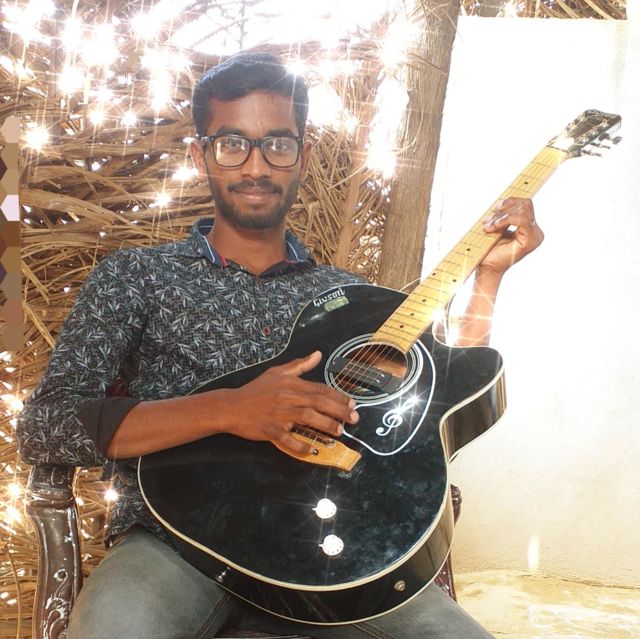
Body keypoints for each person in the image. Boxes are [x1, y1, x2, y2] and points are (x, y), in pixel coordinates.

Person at [17, 51, 543, 639]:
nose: (255, 165)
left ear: (303, 155)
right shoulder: (136, 278)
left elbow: (442, 397)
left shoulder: (351, 298)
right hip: (177, 547)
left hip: (337, 563)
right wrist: (229, 408)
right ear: (199, 154)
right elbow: (44, 425)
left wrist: (487, 275)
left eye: (277, 144)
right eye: (231, 144)